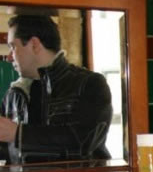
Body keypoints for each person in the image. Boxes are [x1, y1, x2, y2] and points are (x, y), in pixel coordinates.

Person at [0, 14, 112, 164]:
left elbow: (84, 141)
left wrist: (18, 134)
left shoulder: (89, 83)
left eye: (13, 47)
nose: (9, 57)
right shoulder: (12, 96)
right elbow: (6, 154)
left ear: (34, 44)